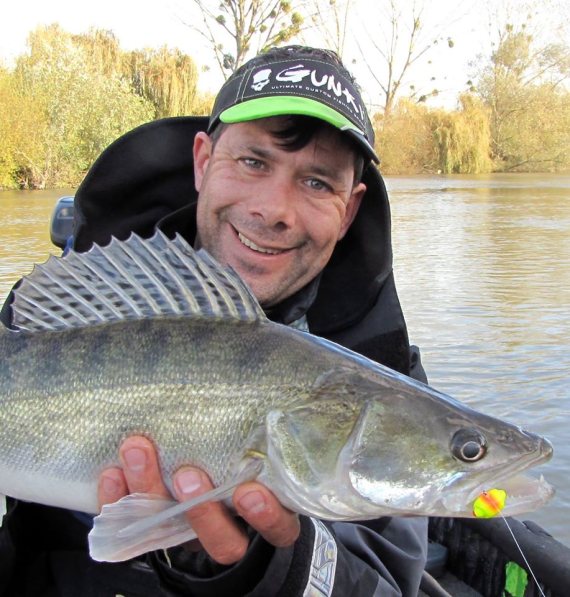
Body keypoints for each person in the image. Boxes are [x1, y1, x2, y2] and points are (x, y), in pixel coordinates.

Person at [0, 46, 428, 596]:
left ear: (349, 209)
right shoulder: (54, 323)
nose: (274, 209)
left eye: (318, 183)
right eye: (254, 162)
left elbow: (386, 583)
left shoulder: (384, 372)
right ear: (203, 161)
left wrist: (264, 567)